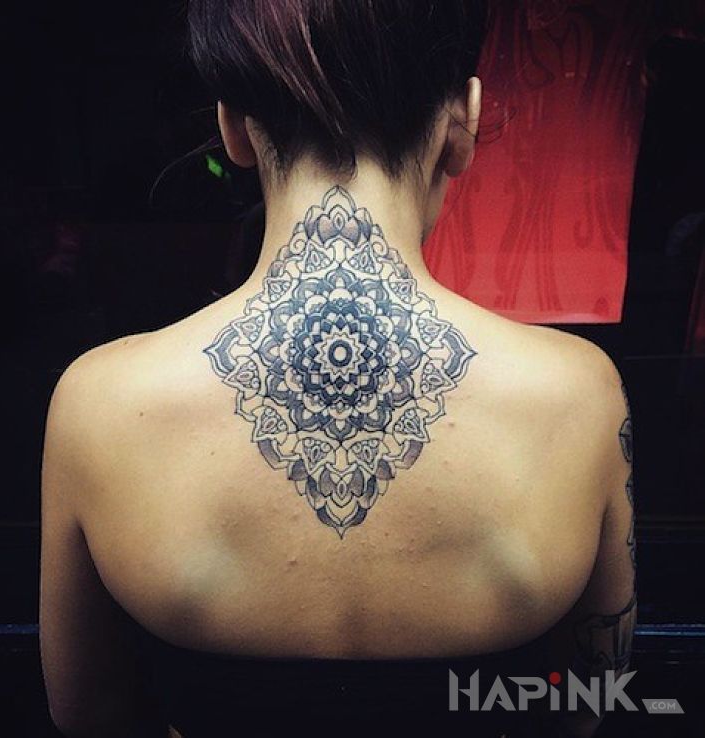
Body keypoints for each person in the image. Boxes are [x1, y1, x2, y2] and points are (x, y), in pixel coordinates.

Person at [39, 1, 637, 735]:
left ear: (234, 127)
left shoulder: (98, 403)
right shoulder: (580, 395)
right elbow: (585, 704)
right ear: (464, 121)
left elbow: (89, 716)